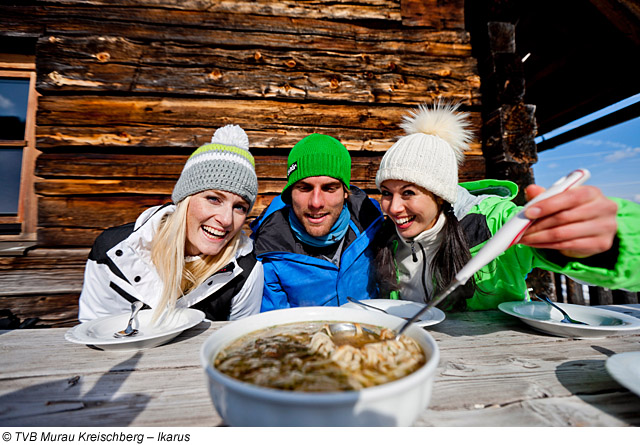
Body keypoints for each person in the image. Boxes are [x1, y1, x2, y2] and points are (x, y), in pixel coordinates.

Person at [373, 101, 640, 310]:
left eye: (408, 193)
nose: (394, 208)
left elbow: (624, 269)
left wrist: (614, 242)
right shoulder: (387, 238)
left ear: (440, 194)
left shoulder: (497, 222)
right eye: (386, 193)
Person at [79, 125, 264, 322]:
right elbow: (95, 329)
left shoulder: (245, 269)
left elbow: (236, 340)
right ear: (184, 199)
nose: (226, 219)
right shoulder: (116, 250)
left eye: (240, 207)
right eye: (213, 199)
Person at [250, 133, 384, 311]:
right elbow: (272, 326)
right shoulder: (269, 251)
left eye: (329, 188)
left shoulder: (371, 225)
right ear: (290, 193)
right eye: (304, 188)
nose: (316, 202)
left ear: (345, 192)